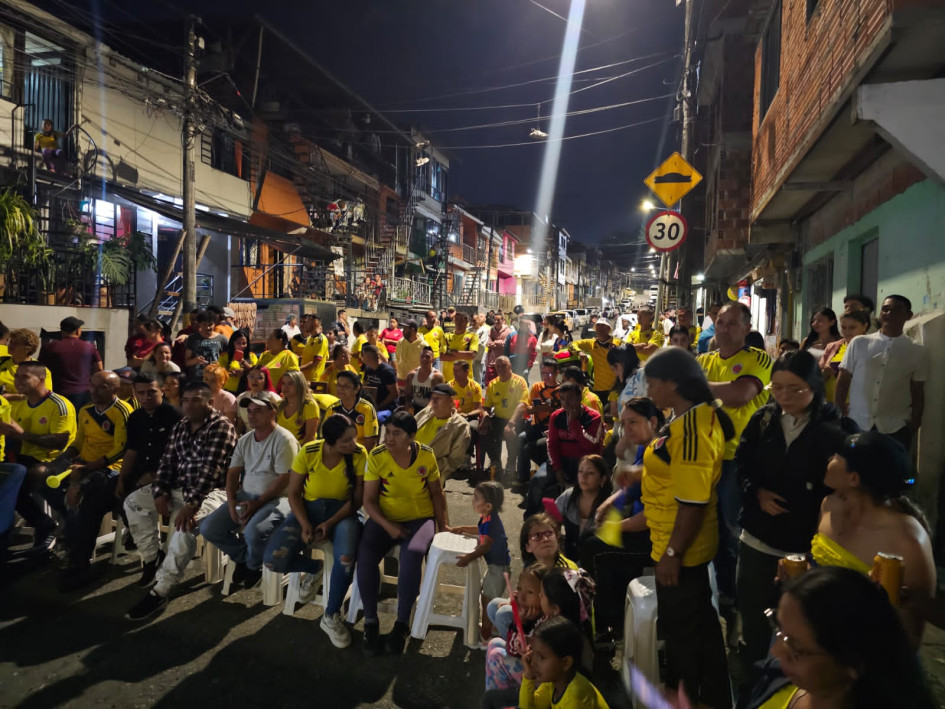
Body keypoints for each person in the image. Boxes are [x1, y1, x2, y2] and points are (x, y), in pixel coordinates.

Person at [733, 351, 854, 690]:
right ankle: (756, 677)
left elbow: (848, 484)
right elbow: (743, 465)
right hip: (758, 538)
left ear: (815, 387)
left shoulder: (836, 429)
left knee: (803, 621)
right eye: (778, 388)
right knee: (755, 612)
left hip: (806, 546)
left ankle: (796, 684)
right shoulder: (763, 420)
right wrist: (756, 493)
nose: (784, 397)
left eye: (796, 390)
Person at [641, 346, 735, 708]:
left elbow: (693, 504)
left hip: (683, 548)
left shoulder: (695, 430)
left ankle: (684, 698)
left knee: (682, 638)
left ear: (674, 383)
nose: (649, 392)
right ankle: (713, 698)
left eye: (653, 384)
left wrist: (672, 554)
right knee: (702, 631)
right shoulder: (684, 417)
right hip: (671, 536)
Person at [745, 566, 935, 709]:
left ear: (852, 663)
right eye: (779, 630)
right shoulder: (782, 679)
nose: (775, 652)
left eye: (795, 648)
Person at [125, 382, 238, 621]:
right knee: (133, 502)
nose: (188, 405)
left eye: (196, 400)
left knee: (185, 525)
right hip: (180, 487)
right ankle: (152, 557)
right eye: (185, 400)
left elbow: (210, 470)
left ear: (210, 403)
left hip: (212, 492)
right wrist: (159, 491)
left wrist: (191, 505)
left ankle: (162, 588)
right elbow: (166, 463)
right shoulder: (180, 426)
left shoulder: (221, 427)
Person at [811, 430, 935, 644]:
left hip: (869, 652)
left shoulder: (907, 541)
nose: (830, 459)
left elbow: (911, 632)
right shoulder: (830, 506)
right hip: (819, 635)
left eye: (838, 457)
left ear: (853, 478)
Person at [264, 413, 367, 648]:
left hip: (345, 513)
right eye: (346, 442)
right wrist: (304, 523)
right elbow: (293, 493)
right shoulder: (309, 452)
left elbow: (358, 498)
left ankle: (331, 615)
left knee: (346, 558)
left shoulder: (359, 454)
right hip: (308, 509)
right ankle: (314, 568)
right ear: (329, 442)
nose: (353, 445)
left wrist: (329, 523)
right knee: (272, 561)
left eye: (354, 438)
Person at [697, 301, 772, 611]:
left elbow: (741, 395)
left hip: (738, 458)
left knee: (733, 528)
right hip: (704, 458)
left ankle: (747, 598)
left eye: (731, 323)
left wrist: (696, 386)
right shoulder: (703, 360)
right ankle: (724, 591)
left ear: (746, 329)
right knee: (708, 528)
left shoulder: (760, 359)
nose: (724, 329)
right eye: (721, 322)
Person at [358, 411, 447, 656]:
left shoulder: (426, 455)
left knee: (412, 555)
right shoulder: (377, 456)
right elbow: (368, 501)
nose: (389, 438)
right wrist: (388, 526)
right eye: (388, 432)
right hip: (384, 518)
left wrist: (444, 525)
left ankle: (401, 624)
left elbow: (437, 494)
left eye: (397, 433)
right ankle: (370, 621)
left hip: (421, 519)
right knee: (365, 556)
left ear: (411, 436)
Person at [200, 391, 299, 592]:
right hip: (247, 496)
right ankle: (244, 557)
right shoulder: (245, 439)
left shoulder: (283, 439)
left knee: (254, 532)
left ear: (272, 412)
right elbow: (232, 472)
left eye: (258, 411)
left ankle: (254, 565)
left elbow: (284, 480)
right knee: (209, 528)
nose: (251, 415)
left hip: (278, 498)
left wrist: (257, 503)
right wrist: (230, 502)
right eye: (250, 411)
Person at [46, 371, 132, 591]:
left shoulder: (122, 411)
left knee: (80, 497)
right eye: (92, 385)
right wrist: (65, 458)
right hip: (85, 465)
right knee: (45, 478)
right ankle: (67, 543)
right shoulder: (85, 410)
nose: (94, 391)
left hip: (110, 469)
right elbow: (79, 441)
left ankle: (75, 557)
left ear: (115, 389)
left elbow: (120, 450)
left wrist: (85, 469)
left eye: (102, 387)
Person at [834, 294, 928, 450]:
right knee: (856, 470)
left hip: (895, 427)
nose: (889, 314)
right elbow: (843, 380)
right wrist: (839, 414)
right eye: (885, 309)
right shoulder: (860, 343)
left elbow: (917, 390)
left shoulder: (917, 351)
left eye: (896, 310)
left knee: (891, 472)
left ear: (909, 316)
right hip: (857, 423)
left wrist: (915, 421)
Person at [1, 362, 76, 554]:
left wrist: (21, 434)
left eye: (24, 377)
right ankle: (42, 523)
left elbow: (60, 442)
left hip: (60, 458)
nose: (18, 381)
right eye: (17, 376)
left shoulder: (60, 404)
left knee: (37, 474)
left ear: (41, 380)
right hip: (29, 457)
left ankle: (70, 524)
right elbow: (16, 439)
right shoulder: (19, 406)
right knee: (9, 480)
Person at [115, 373, 182, 586]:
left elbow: (183, 457)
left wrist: (155, 475)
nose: (146, 397)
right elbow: (132, 451)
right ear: (135, 394)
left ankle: (152, 555)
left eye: (151, 392)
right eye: (141, 393)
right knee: (117, 494)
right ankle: (151, 556)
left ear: (162, 389)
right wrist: (122, 478)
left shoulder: (176, 416)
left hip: (173, 477)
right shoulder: (135, 418)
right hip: (142, 474)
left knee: (134, 502)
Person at [525, 383, 603, 518]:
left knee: (577, 496)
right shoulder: (556, 416)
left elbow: (591, 446)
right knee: (537, 481)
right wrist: (557, 468)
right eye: (562, 399)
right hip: (562, 461)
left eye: (570, 398)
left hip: (585, 464)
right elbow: (552, 444)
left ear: (579, 398)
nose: (566, 403)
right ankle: (531, 519)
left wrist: (574, 425)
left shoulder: (593, 417)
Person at [447, 480, 510, 641]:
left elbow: (485, 546)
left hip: (498, 569)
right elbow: (479, 529)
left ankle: (486, 635)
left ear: (487, 506)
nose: (472, 500)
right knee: (486, 596)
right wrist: (462, 528)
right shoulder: (487, 518)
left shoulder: (490, 522)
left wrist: (468, 557)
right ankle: (493, 627)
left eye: (476, 498)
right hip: (496, 567)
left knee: (489, 600)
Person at [518, 616, 608, 709]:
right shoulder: (555, 680)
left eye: (542, 657)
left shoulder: (575, 701)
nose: (533, 662)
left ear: (566, 662)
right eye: (533, 653)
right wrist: (528, 676)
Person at [554, 454, 611, 562]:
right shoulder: (568, 496)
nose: (583, 477)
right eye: (580, 471)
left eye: (590, 473)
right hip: (569, 561)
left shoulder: (608, 505)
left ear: (602, 479)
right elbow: (551, 517)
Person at [38, 316, 102, 409]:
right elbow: (99, 369)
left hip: (57, 394)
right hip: (83, 394)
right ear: (78, 331)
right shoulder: (89, 347)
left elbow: (39, 369)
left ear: (62, 331)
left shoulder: (49, 347)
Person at [482, 356, 529, 481]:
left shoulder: (520, 381)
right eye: (498, 366)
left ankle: (511, 464)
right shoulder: (492, 384)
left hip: (516, 420)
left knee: (510, 431)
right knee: (482, 430)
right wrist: (485, 417)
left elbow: (522, 405)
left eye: (504, 366)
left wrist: (511, 423)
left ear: (510, 366)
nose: (501, 369)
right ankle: (495, 461)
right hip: (498, 418)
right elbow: (486, 407)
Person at [516, 360, 560, 491]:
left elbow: (563, 413)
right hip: (538, 426)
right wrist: (536, 409)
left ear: (557, 373)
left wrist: (550, 410)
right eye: (544, 373)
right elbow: (527, 408)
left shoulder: (561, 390)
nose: (546, 377)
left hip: (553, 428)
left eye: (550, 374)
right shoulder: (537, 387)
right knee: (521, 438)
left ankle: (547, 473)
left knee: (532, 447)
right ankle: (523, 477)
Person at [415, 383, 471, 482]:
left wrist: (424, 464)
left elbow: (454, 461)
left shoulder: (460, 426)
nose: (434, 402)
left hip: (430, 475)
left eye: (438, 399)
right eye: (433, 398)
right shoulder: (426, 413)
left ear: (450, 401)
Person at [818, 309, 869, 405]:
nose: (847, 331)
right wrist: (824, 372)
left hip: (857, 404)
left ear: (864, 326)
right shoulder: (832, 346)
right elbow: (817, 375)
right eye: (843, 327)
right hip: (829, 403)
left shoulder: (871, 347)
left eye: (852, 327)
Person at [0, 328, 54, 417]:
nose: (10, 345)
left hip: (26, 417)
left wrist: (10, 397)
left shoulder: (39, 370)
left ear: (28, 348)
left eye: (16, 343)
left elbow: (44, 397)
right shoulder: (2, 362)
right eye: (11, 341)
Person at [319, 371, 379, 450]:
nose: (340, 389)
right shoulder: (332, 408)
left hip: (359, 452)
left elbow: (370, 441)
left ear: (356, 388)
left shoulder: (366, 409)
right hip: (336, 452)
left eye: (346, 386)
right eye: (339, 385)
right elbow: (324, 436)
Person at [571, 318, 618, 405]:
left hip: (615, 389)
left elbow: (631, 349)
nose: (600, 329)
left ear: (608, 329)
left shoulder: (617, 343)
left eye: (603, 326)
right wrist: (579, 352)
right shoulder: (592, 343)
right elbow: (571, 344)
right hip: (599, 389)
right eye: (598, 326)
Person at [183, 311, 228, 384]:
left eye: (210, 324)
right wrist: (195, 360)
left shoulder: (222, 339)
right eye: (204, 324)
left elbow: (227, 361)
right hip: (195, 381)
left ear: (214, 324)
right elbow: (187, 362)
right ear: (199, 324)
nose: (207, 327)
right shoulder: (192, 338)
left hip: (215, 381)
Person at [276, 370, 320, 444]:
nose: (285, 387)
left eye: (290, 383)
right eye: (283, 383)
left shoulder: (309, 405)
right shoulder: (279, 405)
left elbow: (310, 437)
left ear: (299, 385)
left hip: (301, 450)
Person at [235, 365, 281, 434]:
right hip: (249, 438)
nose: (254, 380)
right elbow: (240, 424)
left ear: (265, 380)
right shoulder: (242, 397)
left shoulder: (274, 398)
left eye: (259, 377)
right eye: (251, 376)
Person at [360, 344, 397, 423]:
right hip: (372, 404)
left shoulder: (387, 371)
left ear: (368, 357)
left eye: (363, 356)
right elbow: (365, 387)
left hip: (386, 407)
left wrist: (379, 406)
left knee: (375, 418)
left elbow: (395, 393)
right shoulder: (368, 369)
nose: (362, 358)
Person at [441, 312, 479, 383]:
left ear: (467, 322)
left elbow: (471, 355)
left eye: (461, 320)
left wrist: (453, 353)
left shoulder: (472, 336)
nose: (458, 322)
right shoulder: (446, 336)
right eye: (457, 320)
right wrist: (462, 356)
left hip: (465, 380)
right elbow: (442, 356)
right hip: (448, 379)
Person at [217, 329, 257, 395]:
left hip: (249, 390)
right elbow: (220, 373)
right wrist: (231, 373)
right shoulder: (225, 356)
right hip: (230, 390)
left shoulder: (252, 356)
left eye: (244, 343)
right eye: (238, 343)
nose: (241, 346)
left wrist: (247, 368)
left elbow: (257, 372)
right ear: (233, 343)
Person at [406, 346, 444, 412]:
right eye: (422, 356)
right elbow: (408, 395)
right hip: (415, 407)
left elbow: (438, 398)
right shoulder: (411, 375)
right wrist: (408, 406)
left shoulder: (437, 377)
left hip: (431, 409)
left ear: (433, 359)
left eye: (427, 357)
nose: (424, 359)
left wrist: (425, 411)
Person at [395, 319, 424, 392]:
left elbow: (425, 365)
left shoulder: (424, 345)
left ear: (412, 330)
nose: (403, 331)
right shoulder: (400, 342)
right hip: (401, 379)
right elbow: (398, 358)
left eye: (405, 329)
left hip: (416, 381)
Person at [300, 315, 329, 385]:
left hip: (314, 380)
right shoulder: (309, 339)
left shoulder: (321, 339)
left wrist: (298, 368)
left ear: (315, 323)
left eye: (307, 322)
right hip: (304, 378)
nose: (304, 325)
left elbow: (315, 362)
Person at [484, 313, 511, 385]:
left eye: (498, 320)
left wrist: (496, 342)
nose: (496, 322)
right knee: (490, 384)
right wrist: (495, 343)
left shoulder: (508, 331)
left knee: (502, 384)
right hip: (492, 362)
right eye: (495, 320)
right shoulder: (491, 330)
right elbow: (488, 342)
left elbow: (505, 344)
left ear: (503, 320)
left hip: (503, 362)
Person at [473, 313, 491, 384]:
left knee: (481, 372)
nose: (479, 318)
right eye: (478, 317)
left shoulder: (487, 328)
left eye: (481, 317)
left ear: (485, 318)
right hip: (473, 356)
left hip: (483, 352)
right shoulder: (470, 329)